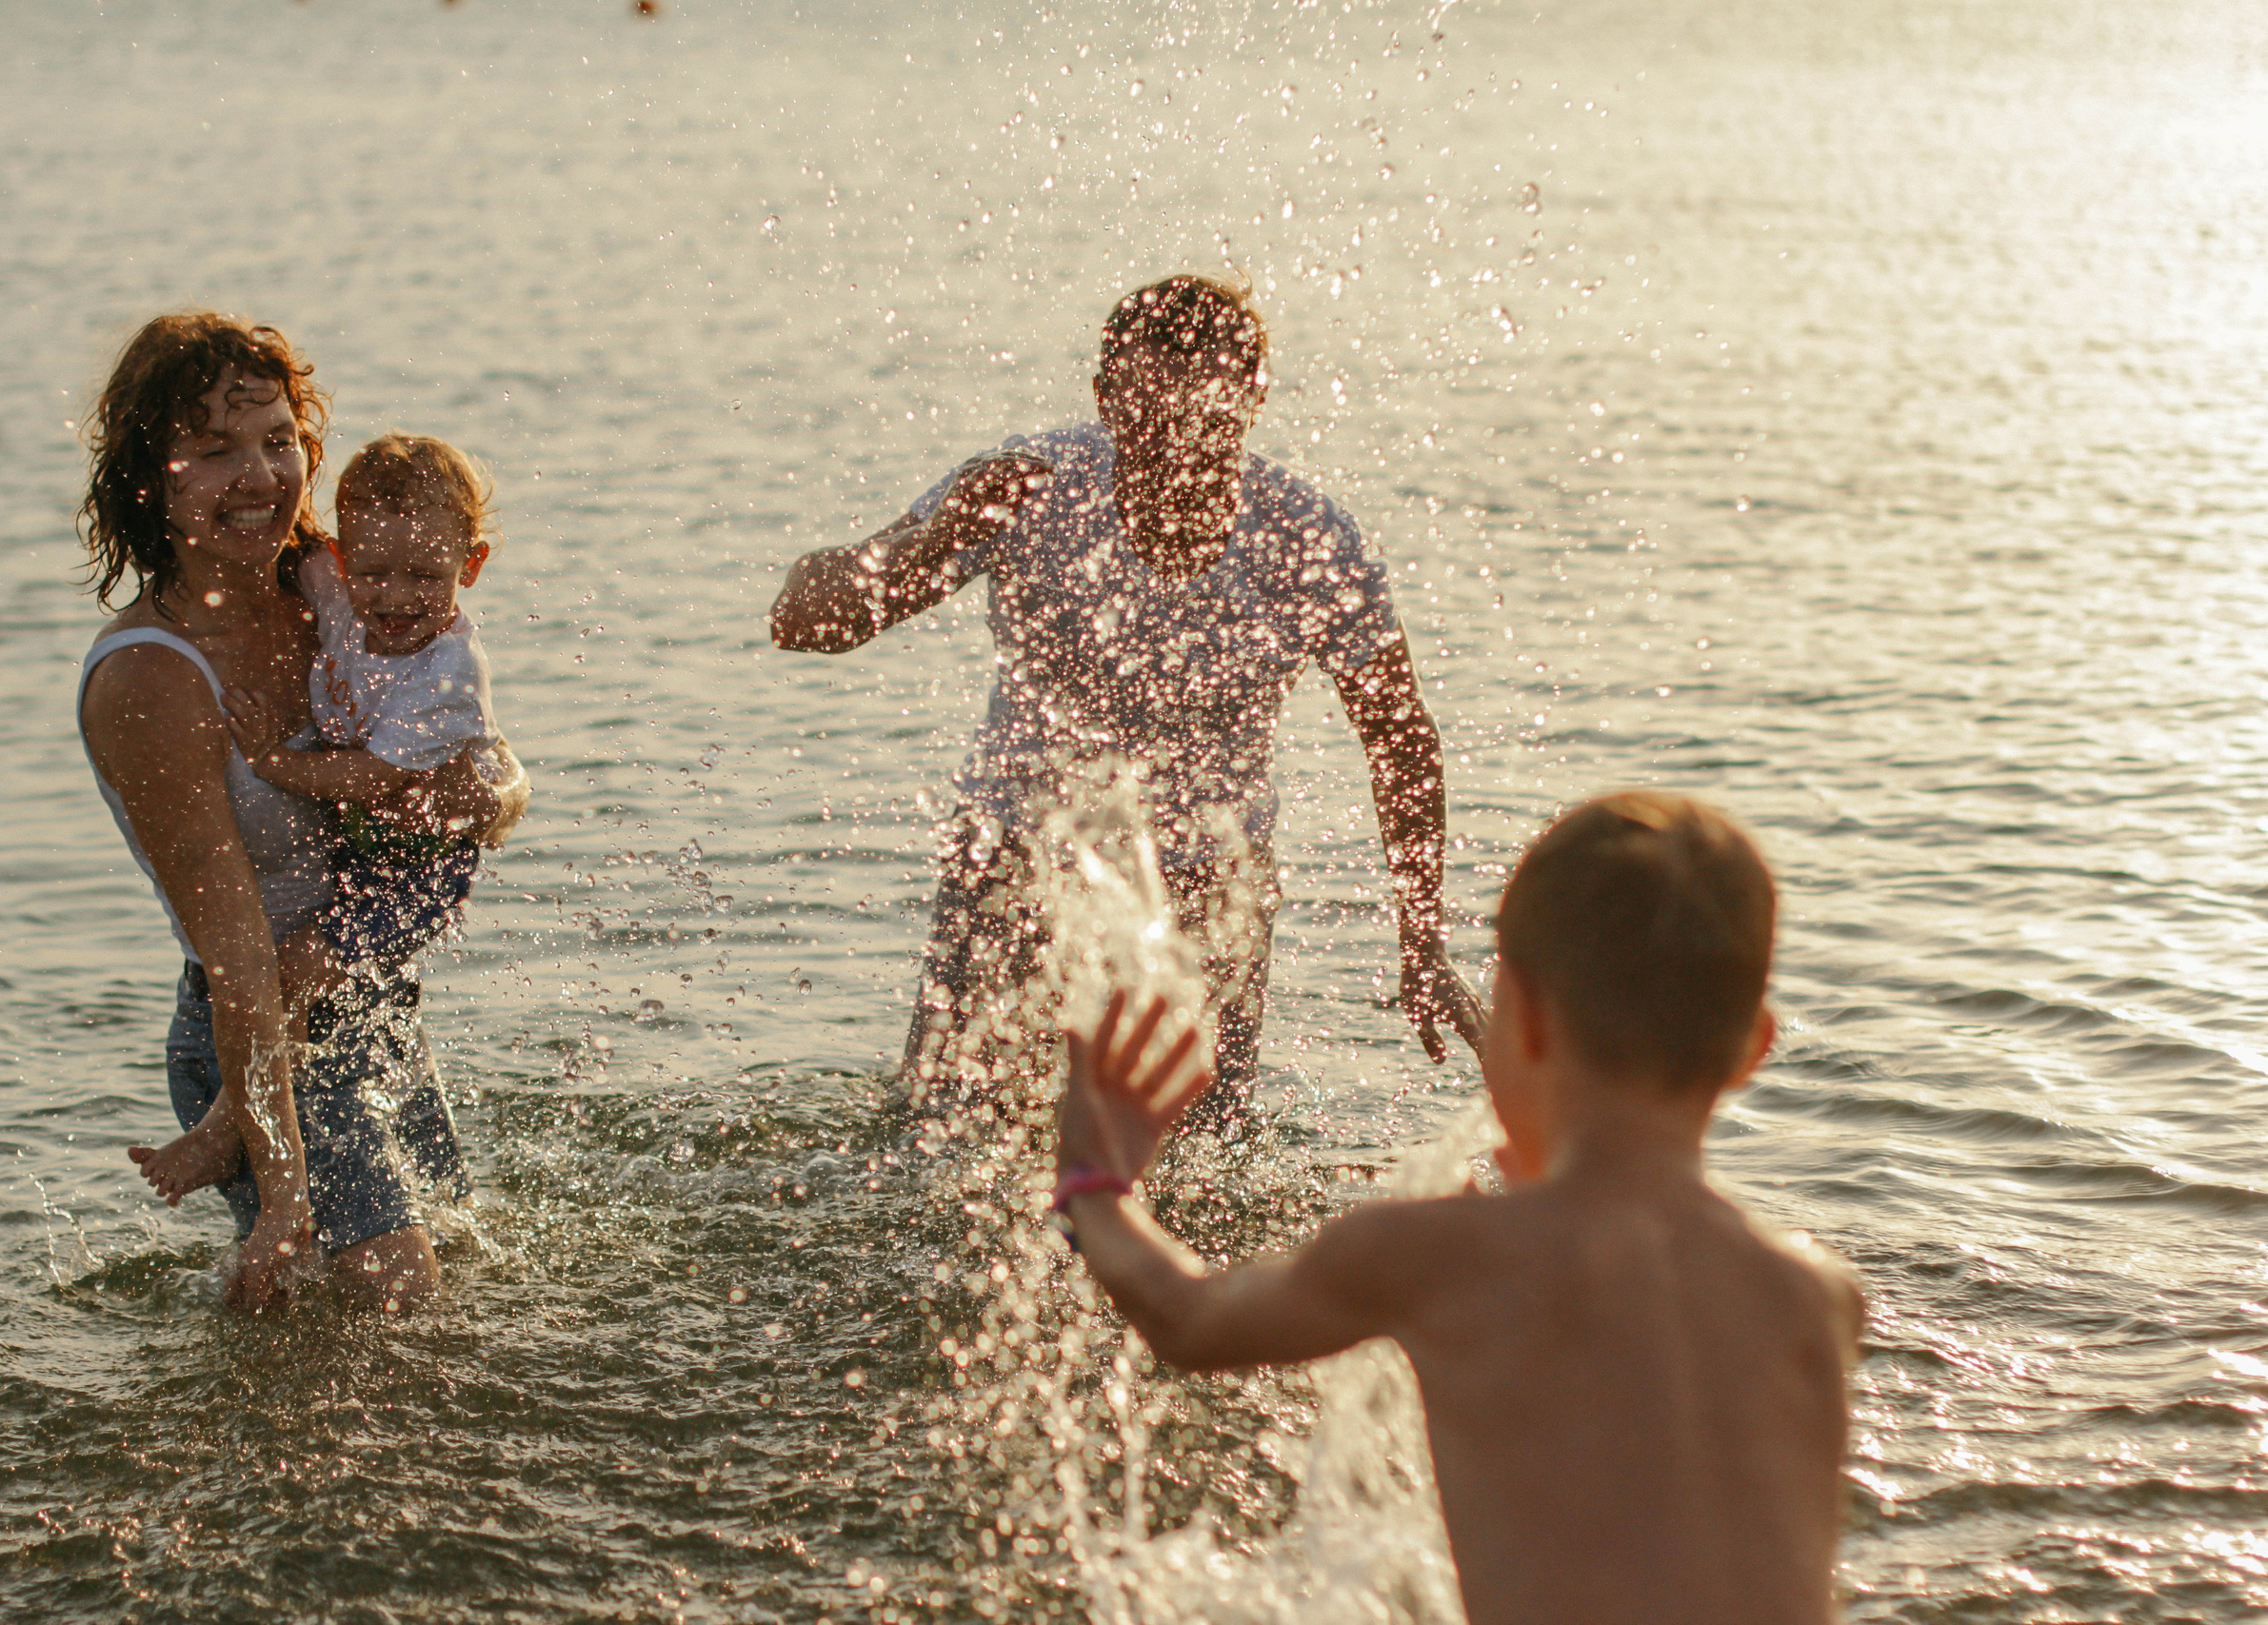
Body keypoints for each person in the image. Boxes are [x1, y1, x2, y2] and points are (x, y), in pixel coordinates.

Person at [1053, 792, 1865, 1625]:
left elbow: (1190, 1320)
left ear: (1531, 1018)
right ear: (1752, 1049)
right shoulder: (1817, 1298)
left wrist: (1096, 1185)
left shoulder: (1440, 1252)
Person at [769, 275, 1481, 1118]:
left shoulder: (1306, 540)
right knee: (945, 1131)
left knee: (1201, 1170)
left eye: (1207, 424)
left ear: (1253, 401)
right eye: (1152, 423)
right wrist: (930, 542)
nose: (1179, 453)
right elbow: (802, 620)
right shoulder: (1028, 491)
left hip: (1210, 888)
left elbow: (1398, 737)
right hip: (1018, 864)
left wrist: (1423, 936)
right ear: (1106, 402)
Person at [75, 313, 528, 1311]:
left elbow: (472, 734)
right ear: (149, 479)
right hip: (255, 1034)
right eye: (213, 450)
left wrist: (493, 794)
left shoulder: (334, 583)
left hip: (367, 998)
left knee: (439, 1292)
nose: (259, 478)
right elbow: (239, 963)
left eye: (279, 442)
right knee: (392, 1294)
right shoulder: (151, 678)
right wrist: (280, 1190)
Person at [138, 433, 509, 1204]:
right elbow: (290, 535)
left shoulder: (447, 671)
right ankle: (256, 1124)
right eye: (374, 572)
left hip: (420, 865)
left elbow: (375, 780)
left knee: (305, 963)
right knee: (306, 967)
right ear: (344, 562)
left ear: (468, 567)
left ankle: (226, 1129)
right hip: (363, 851)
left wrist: (275, 764)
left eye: (426, 576)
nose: (398, 598)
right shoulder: (337, 589)